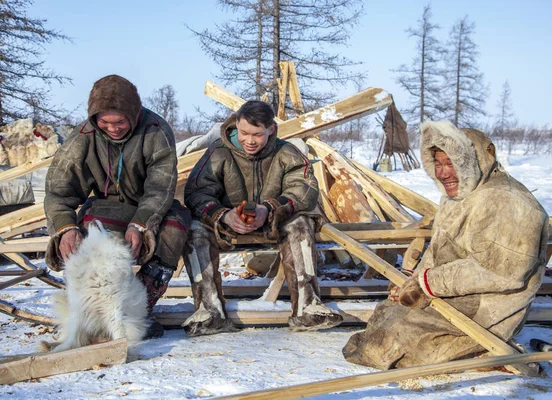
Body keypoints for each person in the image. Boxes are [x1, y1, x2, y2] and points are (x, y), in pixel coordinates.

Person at [342, 120, 549, 369]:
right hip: (453, 293)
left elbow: (500, 273)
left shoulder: (507, 201)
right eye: (438, 163)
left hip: (487, 306)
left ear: (475, 161)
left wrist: (427, 284)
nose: (443, 173)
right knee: (387, 315)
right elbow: (439, 250)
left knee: (392, 340)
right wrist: (414, 281)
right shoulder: (459, 196)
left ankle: (488, 353)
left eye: (451, 163)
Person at [44, 75, 191, 337]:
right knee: (86, 235)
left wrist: (141, 223)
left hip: (152, 206)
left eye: (120, 121)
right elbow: (59, 190)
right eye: (105, 122)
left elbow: (160, 186)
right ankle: (89, 314)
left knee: (175, 228)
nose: (113, 128)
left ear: (133, 115)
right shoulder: (83, 137)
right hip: (105, 206)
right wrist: (65, 227)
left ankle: (139, 309)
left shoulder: (156, 130)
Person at [181, 100, 343, 336]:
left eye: (257, 134)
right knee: (194, 228)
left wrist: (269, 209)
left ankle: (307, 306)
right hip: (227, 226)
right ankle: (209, 311)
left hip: (275, 223)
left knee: (301, 223)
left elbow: (304, 189)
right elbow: (196, 192)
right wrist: (223, 215)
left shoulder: (287, 152)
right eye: (244, 132)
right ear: (236, 125)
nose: (249, 140)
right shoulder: (218, 152)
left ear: (271, 130)